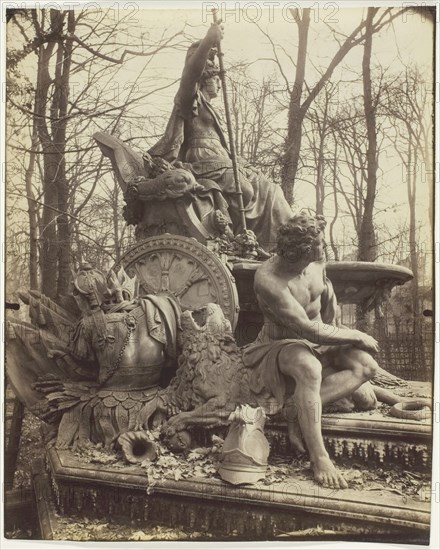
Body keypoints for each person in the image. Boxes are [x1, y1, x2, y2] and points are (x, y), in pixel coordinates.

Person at [243, 213, 380, 489]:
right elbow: (306, 329)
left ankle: (296, 408)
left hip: (321, 337)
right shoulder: (269, 280)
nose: (323, 248)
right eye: (317, 245)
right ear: (300, 252)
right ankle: (319, 458)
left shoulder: (317, 259)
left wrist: (342, 334)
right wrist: (355, 334)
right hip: (280, 344)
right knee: (309, 368)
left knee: (367, 367)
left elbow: (326, 297)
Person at [149, 22, 293, 251]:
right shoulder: (189, 99)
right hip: (203, 162)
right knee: (244, 190)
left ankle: (280, 245)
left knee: (270, 189)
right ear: (206, 80)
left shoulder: (211, 108)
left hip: (222, 160)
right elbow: (189, 74)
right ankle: (240, 241)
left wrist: (240, 162)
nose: (220, 83)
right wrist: (207, 41)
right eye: (217, 79)